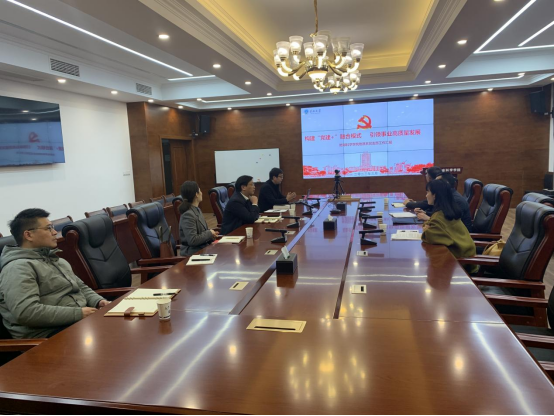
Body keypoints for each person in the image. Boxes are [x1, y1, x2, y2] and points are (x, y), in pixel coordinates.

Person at [0, 209, 110, 339]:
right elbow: (27, 312)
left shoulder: (55, 260)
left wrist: (98, 301)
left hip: (77, 323)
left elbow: (80, 287)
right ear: (28, 235)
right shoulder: (17, 268)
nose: (54, 232)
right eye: (48, 228)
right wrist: (78, 313)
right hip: (48, 336)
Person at [421, 180, 477, 269]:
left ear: (435, 195)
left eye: (427, 192)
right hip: (465, 254)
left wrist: (426, 230)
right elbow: (430, 223)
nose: (426, 195)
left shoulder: (439, 216)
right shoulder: (447, 211)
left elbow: (430, 238)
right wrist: (427, 227)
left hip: (461, 263)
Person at [179, 181, 219, 256]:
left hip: (203, 248)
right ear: (196, 194)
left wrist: (211, 236)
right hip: (193, 253)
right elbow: (193, 240)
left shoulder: (197, 210)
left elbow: (202, 232)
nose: (201, 193)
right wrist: (209, 233)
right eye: (200, 191)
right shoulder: (188, 215)